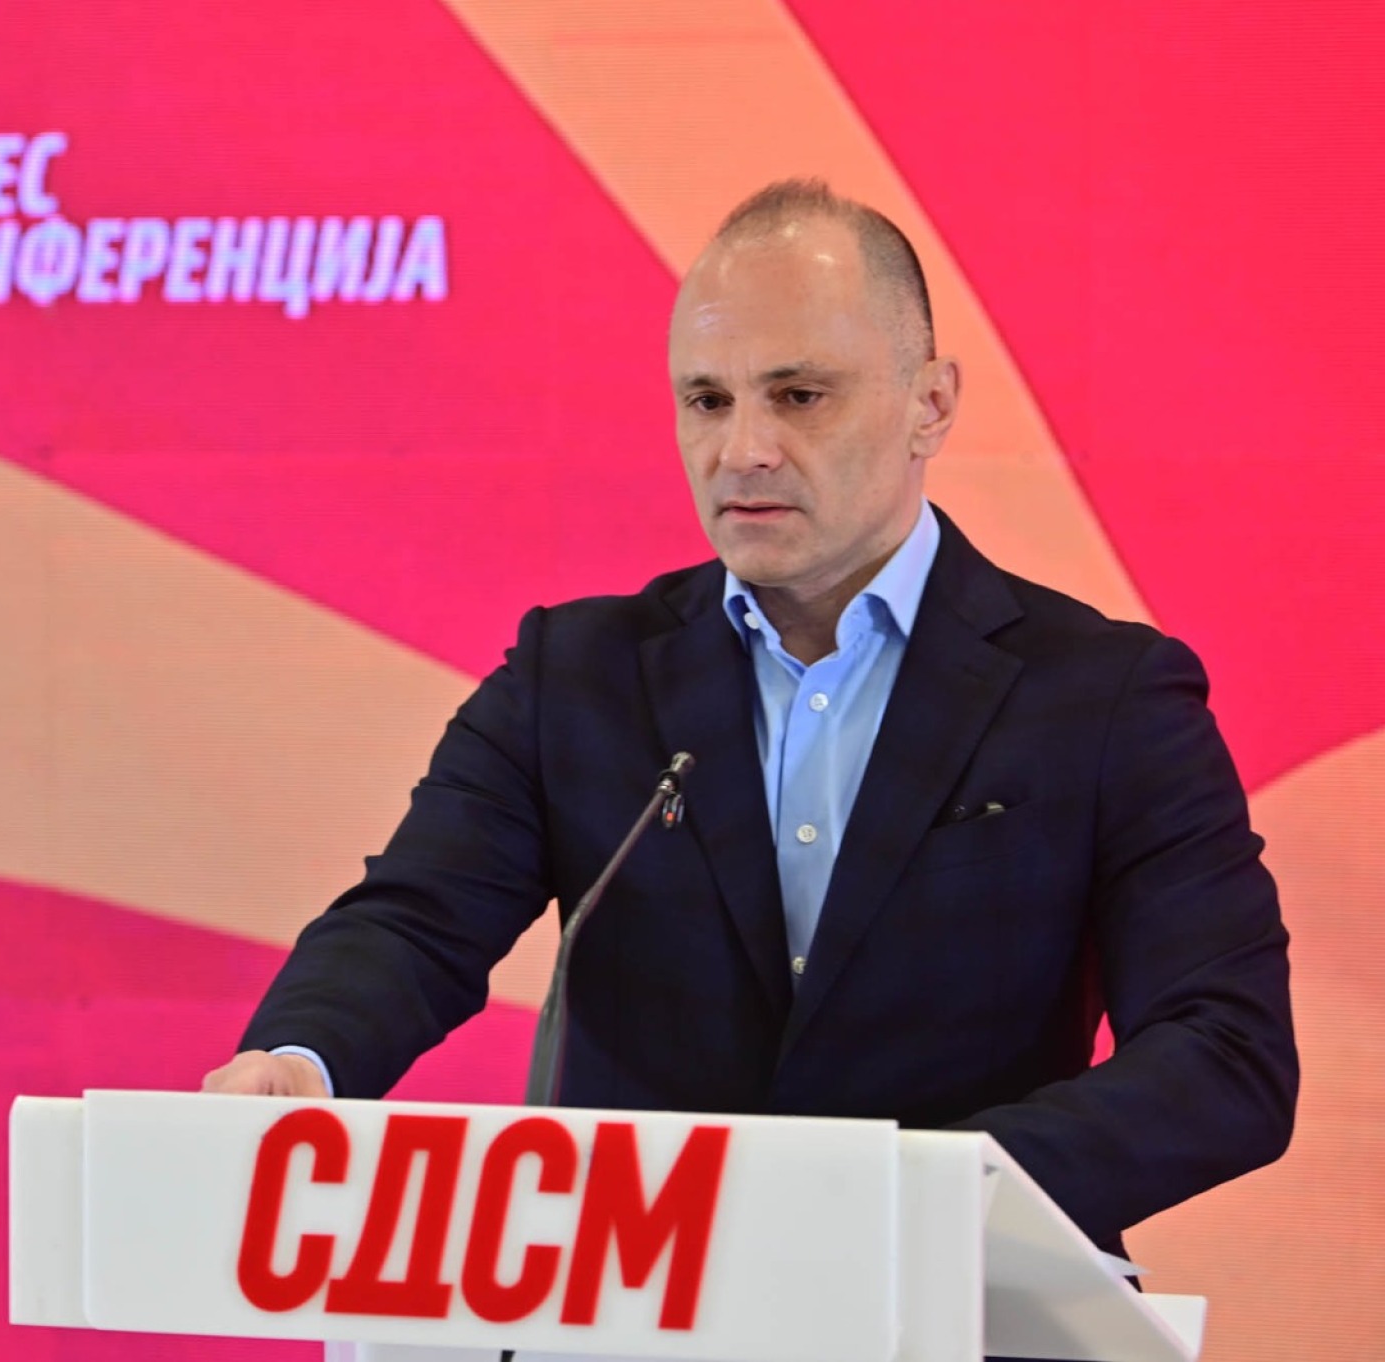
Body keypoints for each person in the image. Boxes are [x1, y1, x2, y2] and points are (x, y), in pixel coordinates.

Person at [201, 179, 1298, 1256]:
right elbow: (414, 922)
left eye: (799, 396)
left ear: (930, 404)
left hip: (962, 1295)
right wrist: (301, 1059)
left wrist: (920, 1197)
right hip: (640, 1299)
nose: (743, 450)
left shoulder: (1102, 697)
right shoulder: (574, 675)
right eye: (707, 401)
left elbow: (1225, 1053)